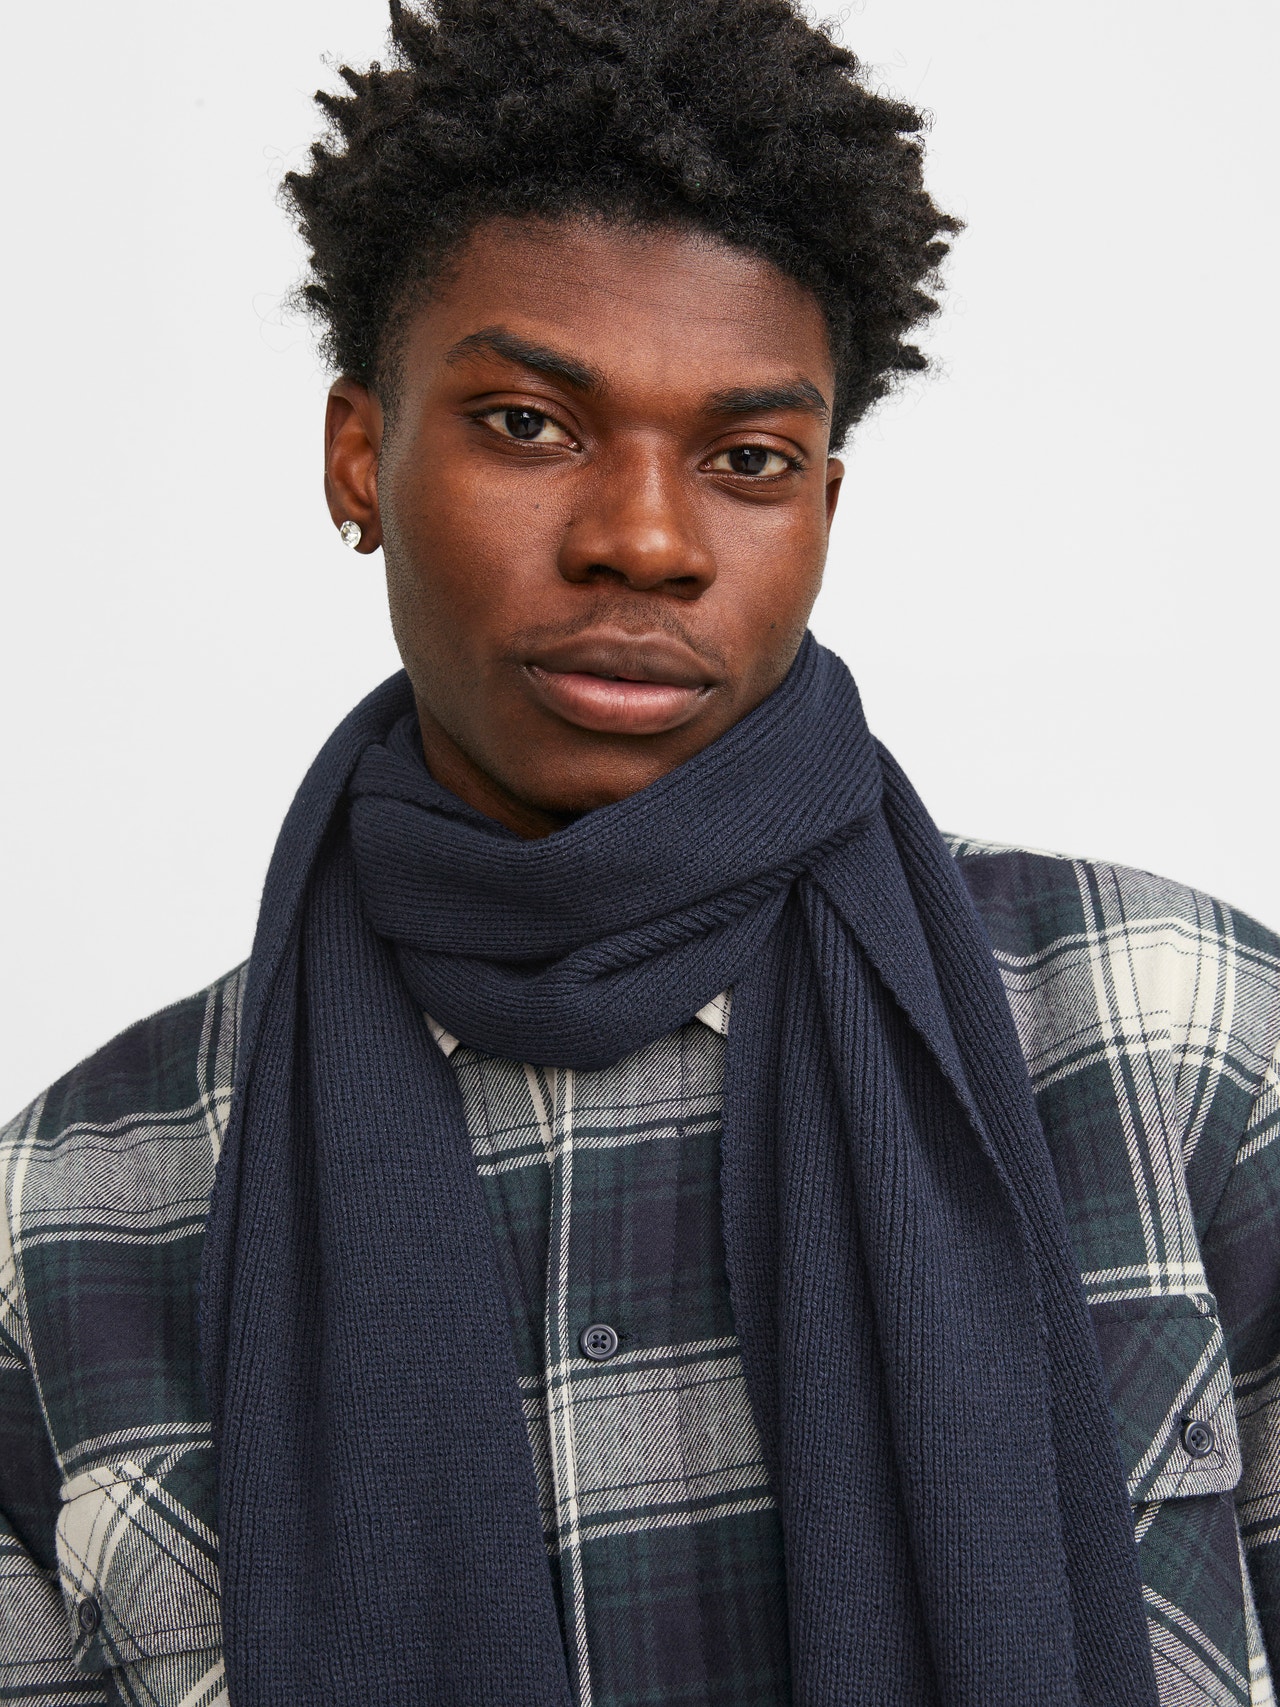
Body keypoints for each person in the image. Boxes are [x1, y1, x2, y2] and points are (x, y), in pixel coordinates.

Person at [1, 0, 1276, 1702]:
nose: (649, 540)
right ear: (360, 456)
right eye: (529, 424)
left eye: (749, 459)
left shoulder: (1180, 1045)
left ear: (824, 506)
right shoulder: (71, 1210)